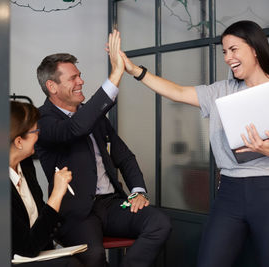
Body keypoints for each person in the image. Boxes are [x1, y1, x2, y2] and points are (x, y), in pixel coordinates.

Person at [117, 21, 269, 267]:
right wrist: (135, 71)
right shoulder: (221, 92)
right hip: (229, 191)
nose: (228, 57)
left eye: (233, 49)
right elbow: (176, 91)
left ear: (254, 49)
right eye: (224, 52)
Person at [34, 30, 171, 267]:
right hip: (77, 213)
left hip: (111, 204)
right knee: (94, 257)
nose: (81, 81)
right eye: (73, 78)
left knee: (159, 223)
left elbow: (124, 156)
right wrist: (116, 74)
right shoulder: (42, 120)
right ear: (51, 86)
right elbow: (75, 129)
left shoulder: (92, 115)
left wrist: (138, 191)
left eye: (80, 75)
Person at [9, 101, 84, 267]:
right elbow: (26, 248)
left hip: (39, 249)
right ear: (19, 142)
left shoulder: (26, 165)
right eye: (36, 131)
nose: (39, 135)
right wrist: (57, 193)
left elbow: (39, 215)